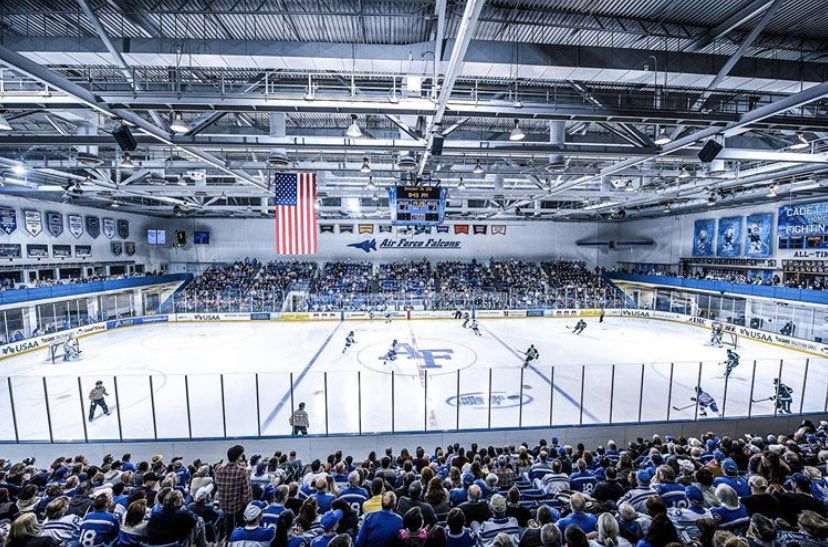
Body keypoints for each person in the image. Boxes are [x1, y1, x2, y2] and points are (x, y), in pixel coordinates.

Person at [215, 445, 253, 536]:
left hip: (223, 505)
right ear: (238, 457)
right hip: (237, 506)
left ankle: (228, 539)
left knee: (229, 526)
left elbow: (218, 484)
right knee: (242, 522)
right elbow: (247, 493)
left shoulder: (219, 469)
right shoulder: (242, 471)